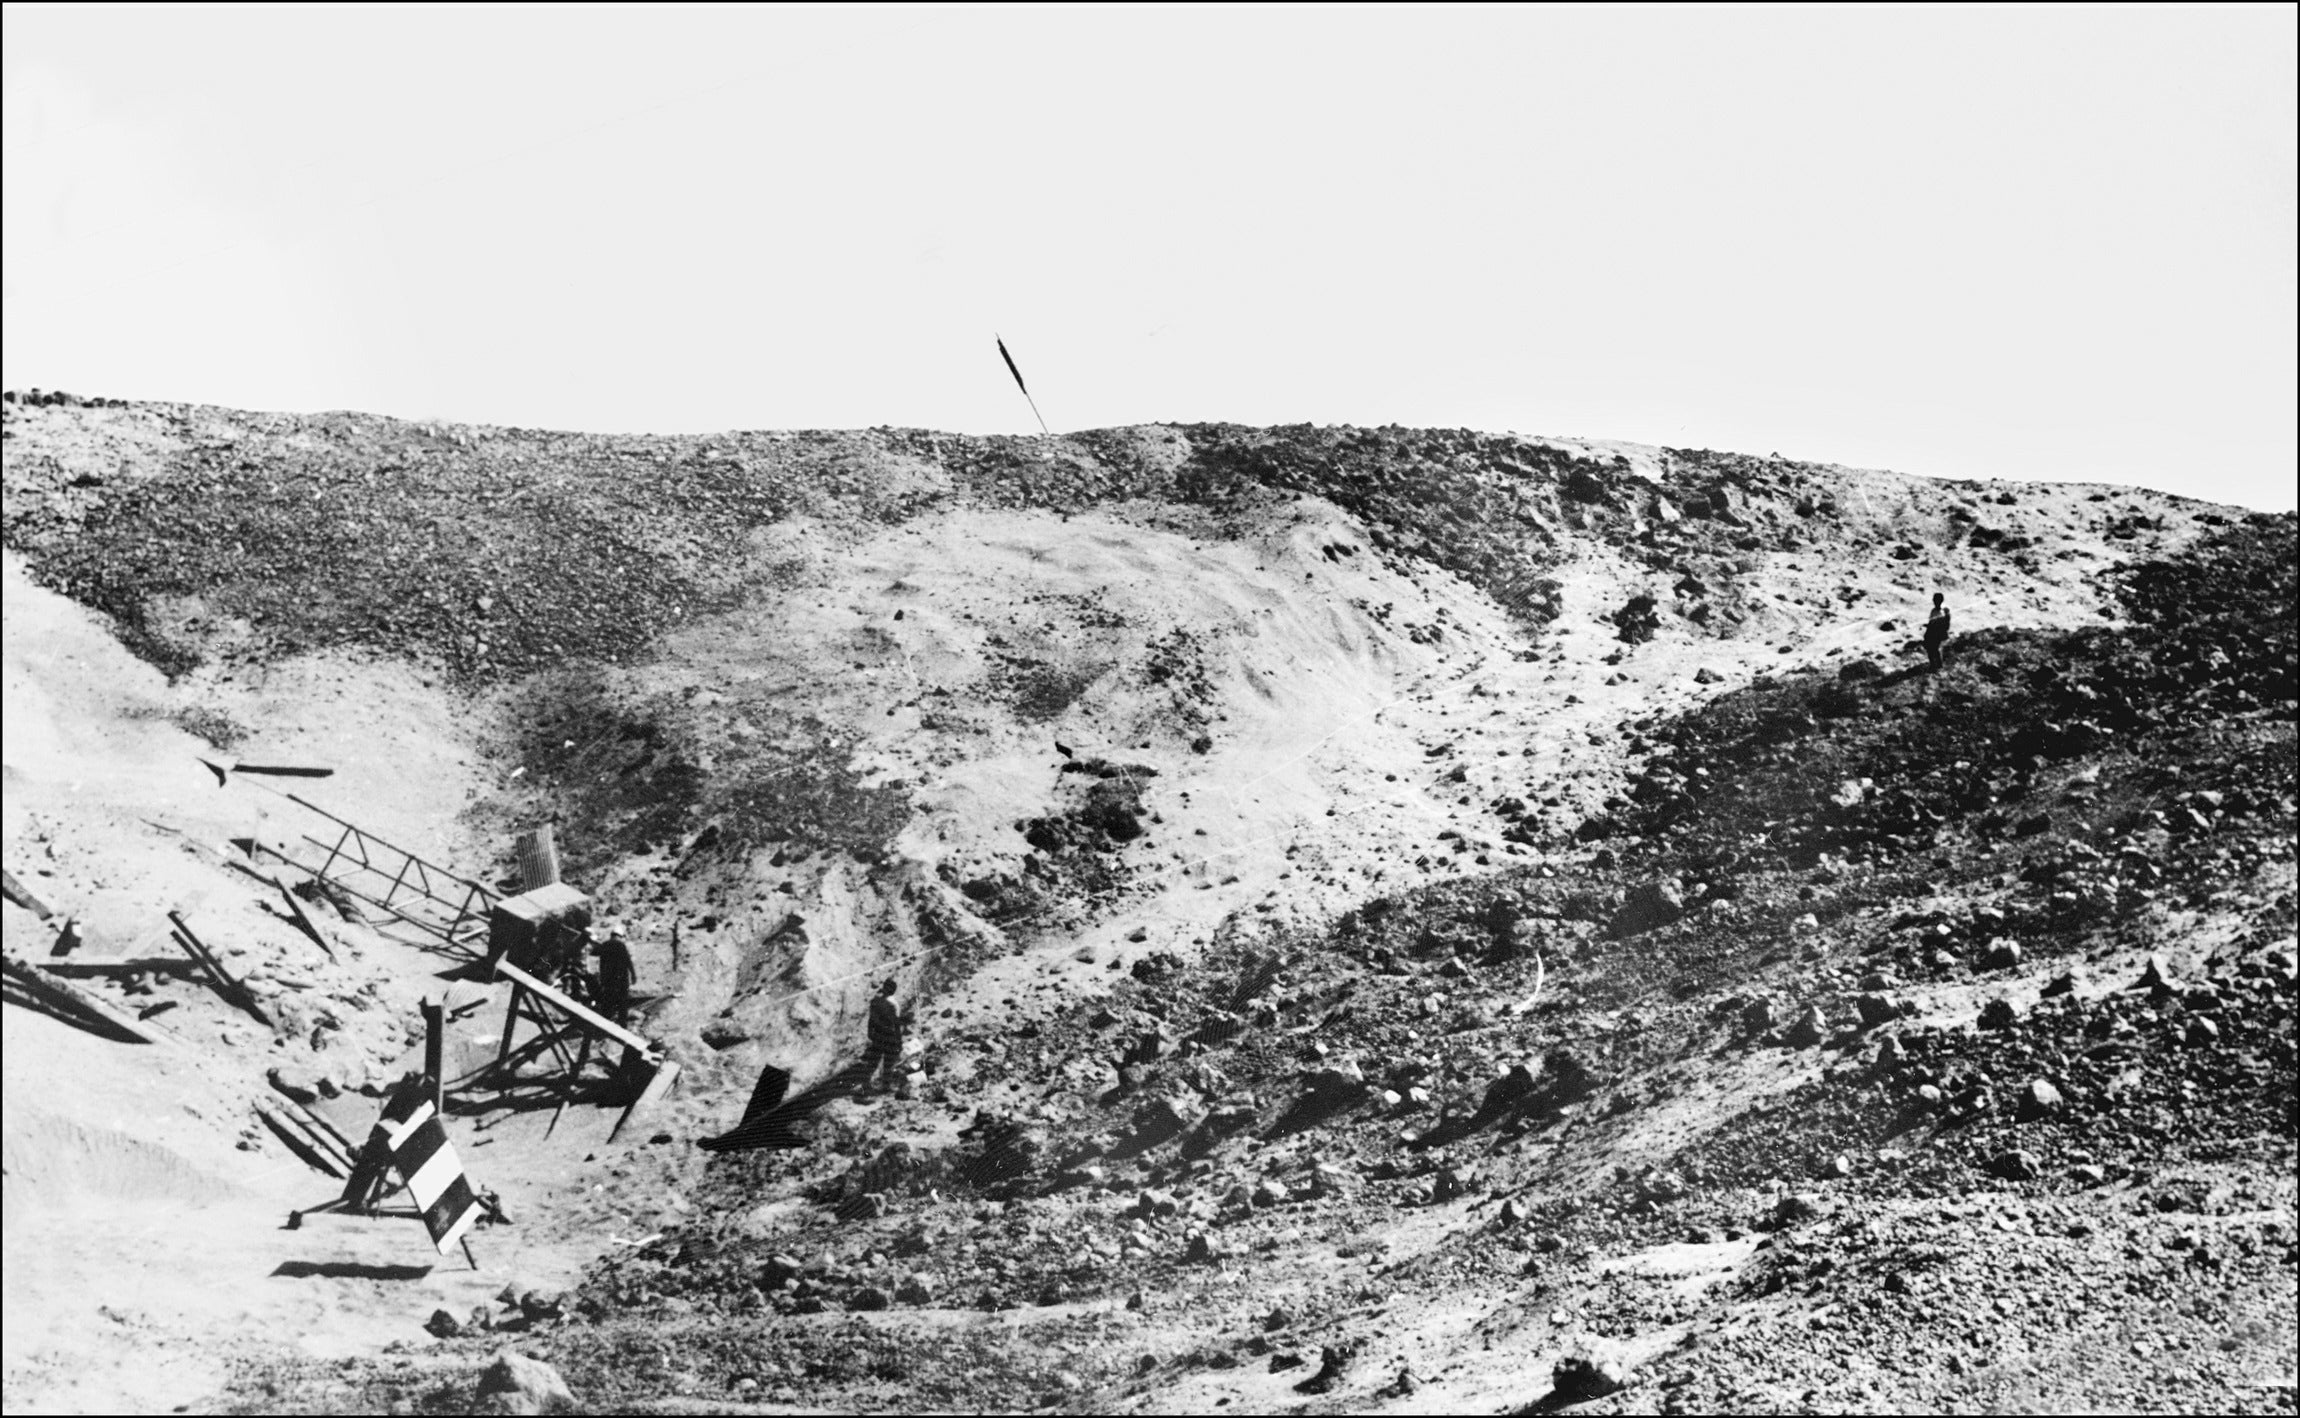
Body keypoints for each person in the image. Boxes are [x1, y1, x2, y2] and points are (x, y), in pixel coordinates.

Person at [862, 979, 905, 1093]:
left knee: (874, 1061)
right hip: (890, 1037)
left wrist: (870, 1033)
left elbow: (871, 1020)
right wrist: (899, 1040)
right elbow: (896, 1024)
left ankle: (866, 1085)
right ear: (894, 991)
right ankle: (885, 1086)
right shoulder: (893, 1004)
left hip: (878, 1036)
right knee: (888, 1062)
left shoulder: (875, 1002)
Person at [593, 925, 635, 1025]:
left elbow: (597, 957)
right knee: (623, 1002)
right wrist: (633, 975)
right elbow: (628, 961)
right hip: (621, 979)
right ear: (620, 936)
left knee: (608, 1001)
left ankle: (605, 1024)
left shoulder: (605, 944)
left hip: (608, 979)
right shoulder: (621, 945)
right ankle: (622, 1024)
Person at [1923, 591, 1951, 670]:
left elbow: (1946, 624)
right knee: (1930, 649)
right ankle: (1932, 666)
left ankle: (1939, 667)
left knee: (1936, 650)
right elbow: (1931, 622)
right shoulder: (1933, 611)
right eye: (1934, 600)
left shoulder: (1945, 610)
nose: (1934, 602)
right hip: (1931, 633)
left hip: (1939, 634)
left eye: (1936, 600)